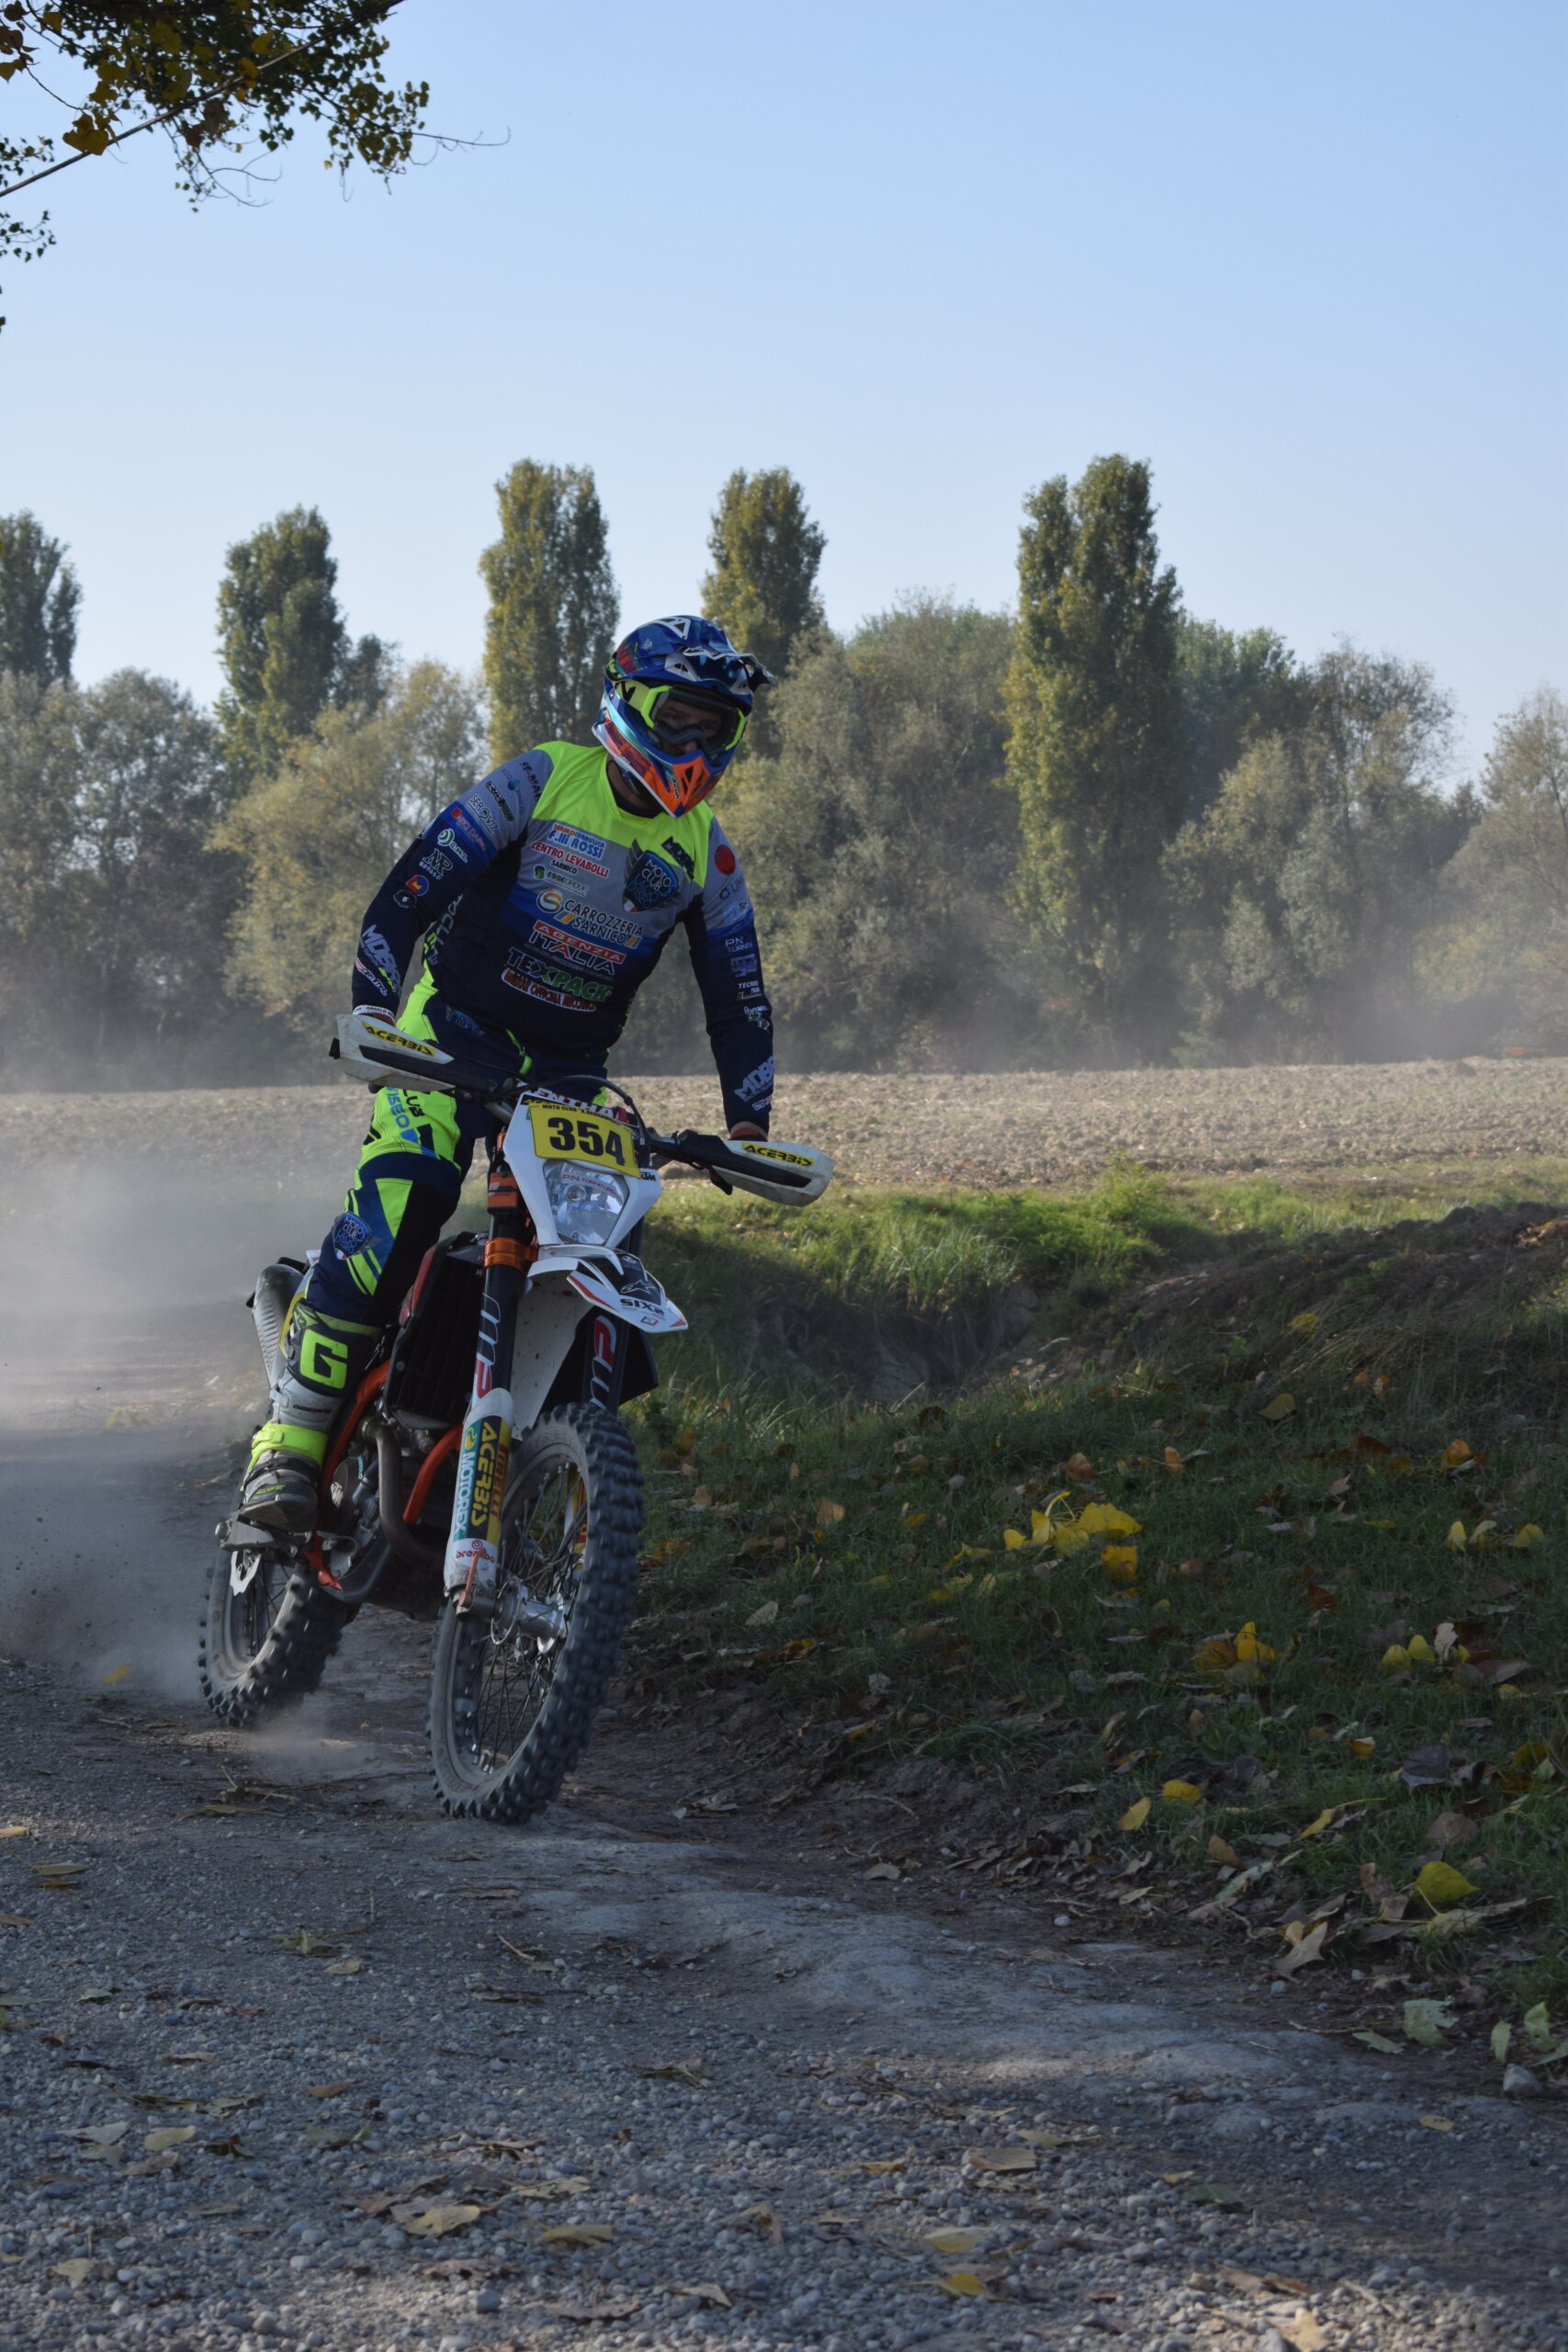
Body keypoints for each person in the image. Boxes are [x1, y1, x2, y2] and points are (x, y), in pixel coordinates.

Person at [239, 615, 775, 1536]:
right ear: (629, 703)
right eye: (677, 718)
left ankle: (534, 1468)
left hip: (568, 1078)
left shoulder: (708, 852)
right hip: (447, 1035)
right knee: (410, 1194)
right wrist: (373, 1006)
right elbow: (409, 892)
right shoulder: (543, 778)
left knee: (596, 1248)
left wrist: (749, 1125)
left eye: (714, 726)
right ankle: (288, 1438)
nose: (693, 746)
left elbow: (741, 997)